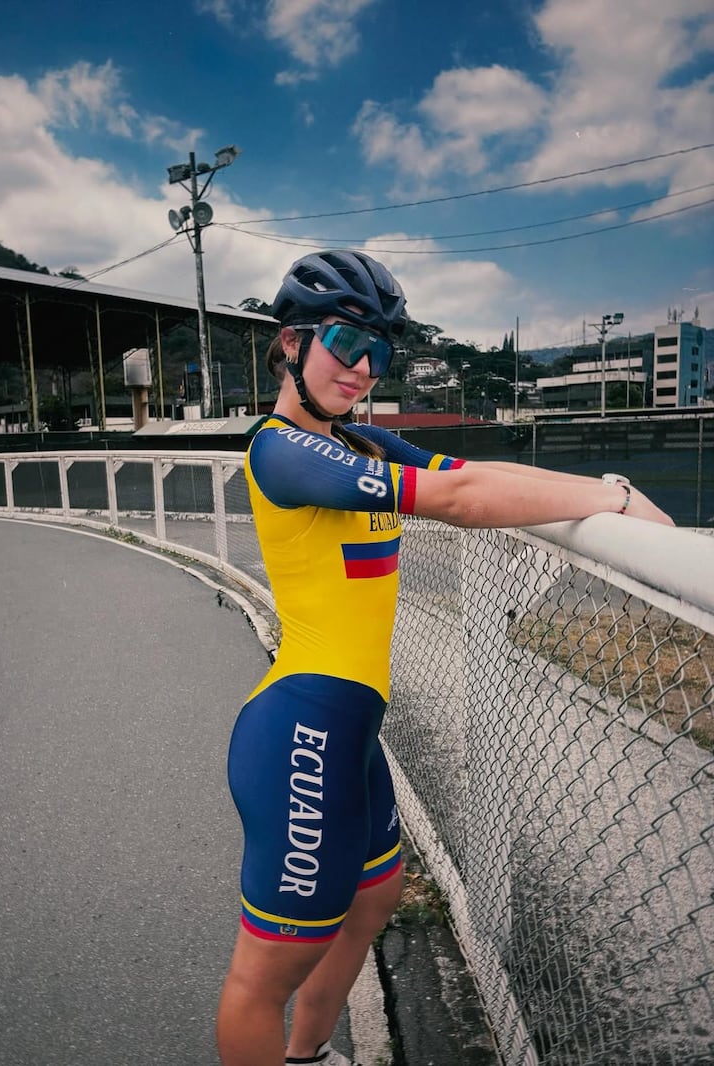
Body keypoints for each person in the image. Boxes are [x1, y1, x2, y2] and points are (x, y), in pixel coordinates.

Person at [216, 251, 674, 1066]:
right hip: (302, 733)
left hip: (352, 730)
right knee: (267, 972)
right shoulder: (280, 451)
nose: (363, 369)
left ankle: (308, 1056)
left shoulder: (360, 441)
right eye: (346, 344)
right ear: (290, 342)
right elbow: (459, 503)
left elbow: (476, 473)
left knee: (372, 902)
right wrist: (612, 493)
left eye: (380, 353)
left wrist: (596, 497)